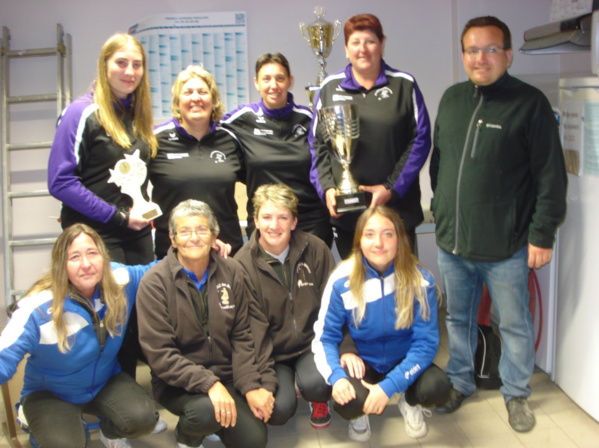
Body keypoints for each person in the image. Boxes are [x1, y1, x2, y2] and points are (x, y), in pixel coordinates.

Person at [429, 16, 568, 433]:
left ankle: (517, 394)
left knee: (514, 324)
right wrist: (441, 211)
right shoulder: (452, 99)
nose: (480, 58)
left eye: (491, 49)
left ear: (507, 54)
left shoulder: (530, 103)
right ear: (463, 55)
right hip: (453, 243)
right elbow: (439, 166)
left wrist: (541, 235)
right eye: (472, 50)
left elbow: (550, 176)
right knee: (457, 320)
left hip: (507, 246)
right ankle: (459, 382)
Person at [0, 224, 159, 448]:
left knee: (144, 420)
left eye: (92, 253)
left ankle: (108, 433)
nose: (86, 264)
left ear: (103, 256)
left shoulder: (120, 279)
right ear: (61, 265)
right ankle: (36, 424)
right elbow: (3, 357)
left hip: (104, 381)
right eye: (74, 257)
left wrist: (205, 248)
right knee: (67, 444)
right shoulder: (36, 306)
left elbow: (160, 269)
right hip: (50, 393)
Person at [136, 200, 277, 448]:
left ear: (214, 236)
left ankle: (217, 419)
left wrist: (249, 384)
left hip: (227, 375)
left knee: (253, 441)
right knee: (204, 413)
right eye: (185, 231)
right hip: (176, 382)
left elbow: (242, 335)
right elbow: (161, 355)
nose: (194, 238)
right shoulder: (154, 283)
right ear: (172, 238)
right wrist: (210, 384)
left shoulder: (232, 270)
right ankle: (188, 438)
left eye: (202, 230)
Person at [312, 206, 450, 442]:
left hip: (404, 359)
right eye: (370, 234)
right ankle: (359, 412)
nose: (379, 243)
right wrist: (337, 376)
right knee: (348, 398)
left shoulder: (420, 279)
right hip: (364, 363)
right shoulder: (342, 279)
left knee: (438, 388)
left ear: (400, 239)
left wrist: (390, 386)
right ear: (359, 240)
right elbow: (325, 338)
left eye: (388, 234)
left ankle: (409, 401)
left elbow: (426, 344)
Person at [309, 14, 431, 259]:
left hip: (397, 214)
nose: (362, 49)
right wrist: (328, 189)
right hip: (349, 219)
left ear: (382, 44)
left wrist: (391, 188)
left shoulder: (403, 85)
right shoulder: (330, 88)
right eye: (355, 42)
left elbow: (420, 140)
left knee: (403, 291)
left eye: (370, 41)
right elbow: (317, 144)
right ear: (346, 49)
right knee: (357, 292)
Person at [48, 33, 157, 265]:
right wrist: (117, 217)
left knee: (142, 301)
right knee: (110, 302)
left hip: (138, 233)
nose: (130, 72)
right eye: (121, 62)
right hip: (95, 237)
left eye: (137, 65)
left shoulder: (138, 116)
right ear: (104, 64)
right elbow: (61, 182)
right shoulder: (80, 114)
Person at [234, 184, 335, 429]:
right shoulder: (241, 265)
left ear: (294, 222)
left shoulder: (316, 249)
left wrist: (332, 348)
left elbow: (333, 306)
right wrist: (265, 384)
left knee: (318, 385)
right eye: (267, 217)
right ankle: (288, 385)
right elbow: (249, 331)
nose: (274, 225)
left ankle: (316, 397)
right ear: (256, 221)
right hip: (272, 352)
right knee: (279, 412)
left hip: (312, 344)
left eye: (282, 217)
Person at [221, 53, 333, 246]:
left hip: (310, 220)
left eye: (280, 78)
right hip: (265, 222)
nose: (274, 85)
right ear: (257, 83)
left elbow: (327, 160)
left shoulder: (308, 118)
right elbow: (207, 130)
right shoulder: (242, 119)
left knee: (310, 277)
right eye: (266, 79)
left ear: (290, 81)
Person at [150, 65, 245, 258]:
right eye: (188, 92)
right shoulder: (155, 141)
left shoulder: (231, 140)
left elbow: (258, 181)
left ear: (214, 100)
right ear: (177, 102)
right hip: (174, 255)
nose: (196, 98)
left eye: (202, 92)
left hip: (226, 252)